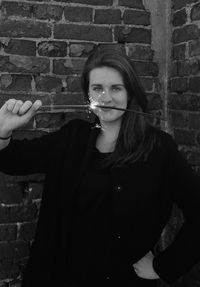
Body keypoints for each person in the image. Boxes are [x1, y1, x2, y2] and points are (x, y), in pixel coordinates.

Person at [0, 47, 200, 287]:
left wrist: (164, 266)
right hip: (60, 276)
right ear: (88, 95)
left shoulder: (158, 147)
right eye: (97, 88)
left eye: (115, 88)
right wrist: (3, 132)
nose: (105, 97)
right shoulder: (72, 137)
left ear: (130, 93)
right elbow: (15, 160)